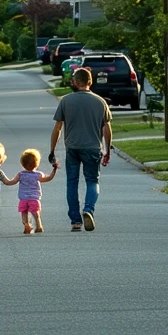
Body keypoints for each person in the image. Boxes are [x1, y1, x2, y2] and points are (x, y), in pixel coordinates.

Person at [48, 66, 111, 232]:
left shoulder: (66, 101)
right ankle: (88, 210)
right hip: (92, 148)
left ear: (75, 82)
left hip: (72, 148)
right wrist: (107, 150)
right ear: (90, 81)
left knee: (72, 183)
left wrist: (52, 151)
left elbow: (57, 128)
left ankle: (75, 221)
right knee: (92, 181)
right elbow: (107, 129)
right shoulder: (100, 102)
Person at [12, 148, 58, 234]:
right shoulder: (38, 174)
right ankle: (39, 225)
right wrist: (54, 171)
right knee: (36, 213)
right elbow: (48, 178)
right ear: (36, 163)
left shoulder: (21, 174)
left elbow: (13, 182)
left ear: (22, 163)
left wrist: (4, 181)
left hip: (23, 198)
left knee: (24, 212)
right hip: (34, 198)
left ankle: (26, 224)